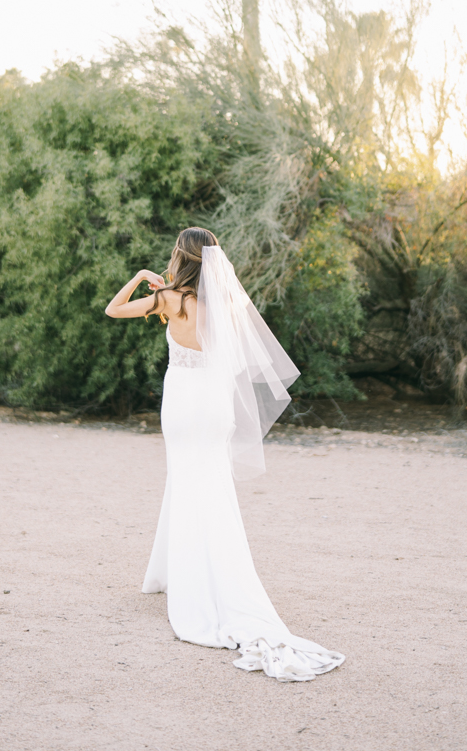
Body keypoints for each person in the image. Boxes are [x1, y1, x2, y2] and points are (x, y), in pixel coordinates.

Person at [104, 226, 344, 682]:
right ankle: (186, 573)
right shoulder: (228, 305)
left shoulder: (170, 299)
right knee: (209, 487)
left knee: (183, 479)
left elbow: (113, 310)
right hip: (214, 409)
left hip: (181, 406)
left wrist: (140, 276)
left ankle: (189, 585)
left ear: (182, 257)